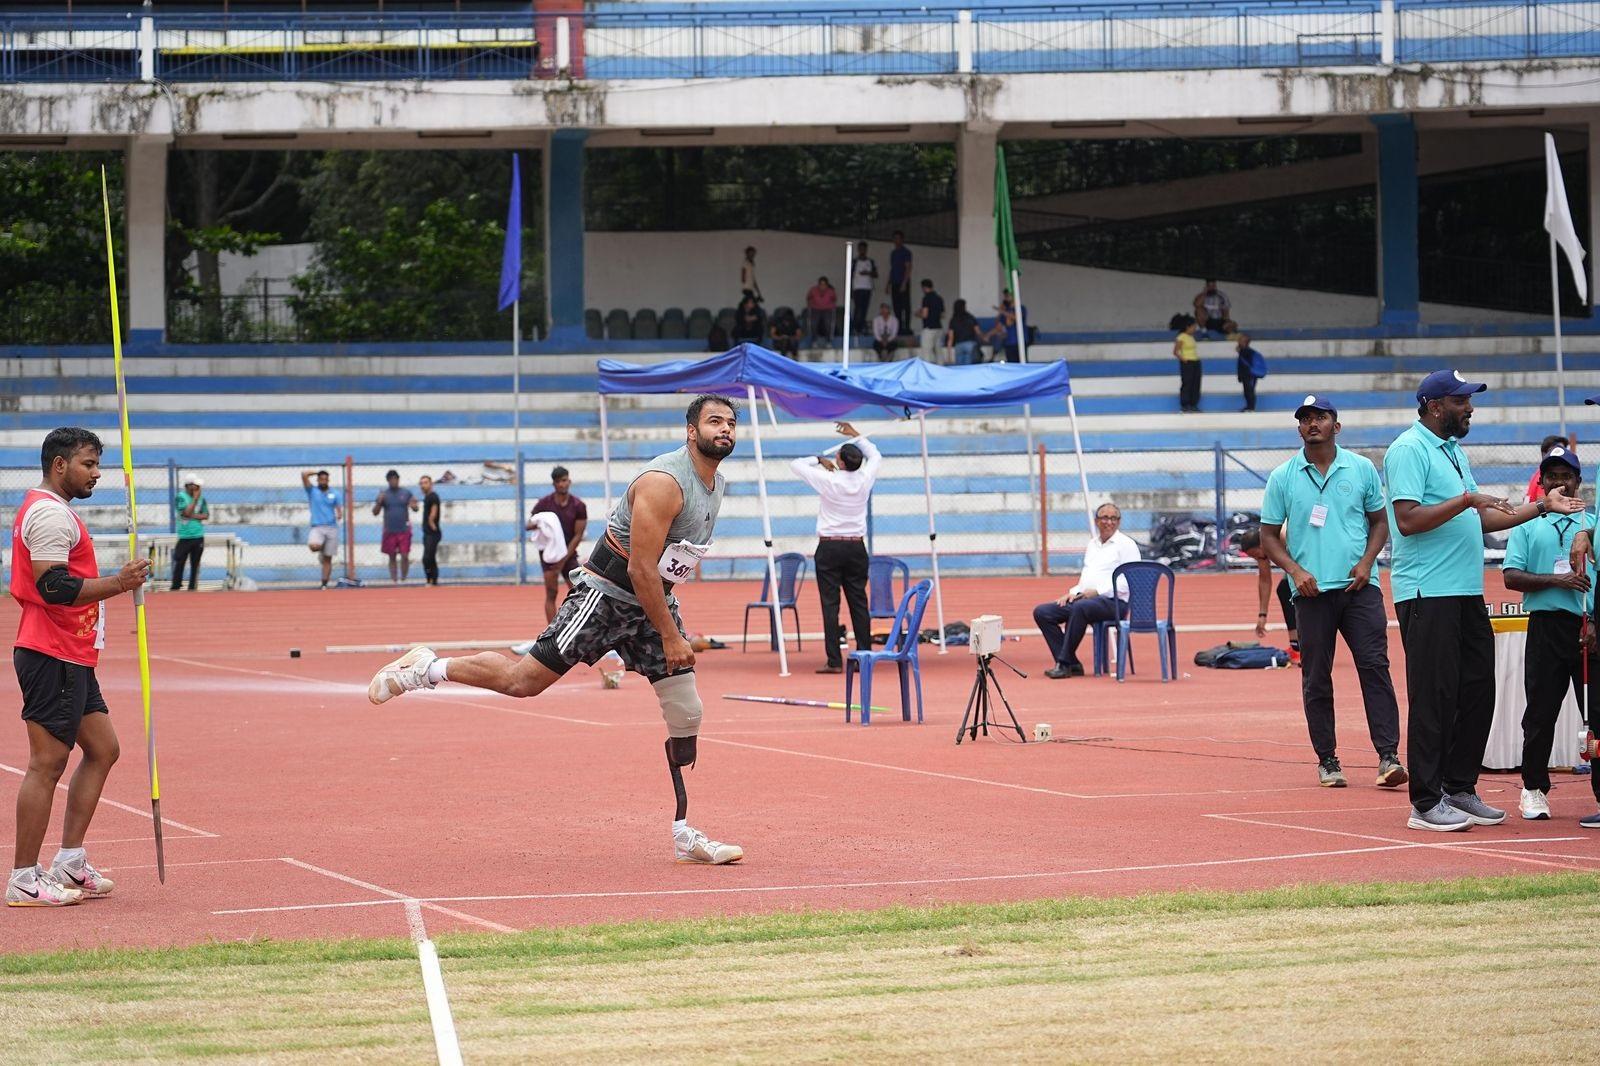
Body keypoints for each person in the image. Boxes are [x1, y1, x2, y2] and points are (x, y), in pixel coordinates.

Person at [368, 396, 745, 865]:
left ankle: (684, 832)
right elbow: (643, 569)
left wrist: (666, 622)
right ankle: (426, 667)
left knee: (686, 711)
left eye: (731, 422)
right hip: (606, 595)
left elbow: (667, 567)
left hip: (652, 601)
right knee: (522, 682)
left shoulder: (717, 483)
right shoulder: (664, 483)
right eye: (714, 421)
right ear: (691, 430)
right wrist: (671, 635)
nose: (725, 429)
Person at [1385, 369, 1584, 832]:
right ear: (1436, 406)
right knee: (1434, 697)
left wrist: (1540, 507)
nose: (1470, 407)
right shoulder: (1408, 450)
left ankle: (1459, 787)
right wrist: (1468, 499)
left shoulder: (1453, 451)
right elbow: (1409, 520)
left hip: (1464, 591)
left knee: (1477, 691)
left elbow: (1481, 521)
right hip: (1426, 592)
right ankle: (1425, 802)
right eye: (1462, 400)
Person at [9, 427, 151, 907]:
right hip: (52, 653)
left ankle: (69, 861)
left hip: (73, 653)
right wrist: (118, 581)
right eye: (88, 464)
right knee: (46, 763)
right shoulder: (49, 514)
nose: (96, 474)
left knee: (104, 749)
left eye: (98, 465)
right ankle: (24, 877)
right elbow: (52, 587)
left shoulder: (57, 512)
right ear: (59, 465)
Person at [1259, 396, 1405, 789]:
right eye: (1305, 419)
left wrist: (1367, 561)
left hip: (1361, 588)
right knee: (1316, 677)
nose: (1312, 424)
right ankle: (1327, 759)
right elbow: (1268, 537)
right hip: (1311, 594)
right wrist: (1294, 571)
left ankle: (1388, 756)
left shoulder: (1361, 469)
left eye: (1320, 417)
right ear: (1299, 428)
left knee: (1375, 668)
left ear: (1335, 426)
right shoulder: (1283, 476)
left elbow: (1380, 523)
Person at [1502, 444, 1598, 822]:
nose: (1560, 481)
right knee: (1540, 713)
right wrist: (1557, 581)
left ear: (1578, 481)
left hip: (1587, 628)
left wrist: (1594, 622)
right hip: (1545, 627)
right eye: (1552, 475)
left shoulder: (1591, 525)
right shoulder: (1527, 523)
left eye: (1566, 475)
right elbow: (1511, 576)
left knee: (1598, 715)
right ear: (1542, 482)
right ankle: (1533, 789)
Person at [790, 422, 881, 675]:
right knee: (859, 602)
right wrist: (857, 435)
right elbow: (875, 455)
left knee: (830, 604)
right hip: (855, 546)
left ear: (839, 462)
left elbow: (796, 465)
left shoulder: (828, 479)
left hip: (829, 547)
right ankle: (865, 656)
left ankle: (834, 660)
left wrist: (818, 459)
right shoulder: (864, 478)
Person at [1033, 502, 1142, 678]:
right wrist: (1073, 592)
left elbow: (1130, 582)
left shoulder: (1126, 545)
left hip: (1115, 602)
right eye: (1105, 517)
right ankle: (1073, 663)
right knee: (1043, 612)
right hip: (1087, 600)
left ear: (1119, 522)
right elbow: (1087, 577)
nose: (1109, 522)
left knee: (1080, 607)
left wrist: (1098, 591)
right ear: (1097, 521)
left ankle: (1064, 663)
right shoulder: (1093, 544)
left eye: (1113, 518)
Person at [532, 465, 588, 624]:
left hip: (569, 553)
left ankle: (577, 626)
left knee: (579, 591)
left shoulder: (578, 505)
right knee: (551, 592)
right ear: (554, 484)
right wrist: (541, 524)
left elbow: (578, 535)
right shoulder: (544, 504)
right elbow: (529, 523)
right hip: (549, 555)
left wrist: (563, 559)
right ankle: (550, 633)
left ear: (569, 481)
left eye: (564, 480)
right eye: (558, 482)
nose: (562, 484)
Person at [1238, 525, 1300, 664]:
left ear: (1261, 543)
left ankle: (1304, 646)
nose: (1258, 558)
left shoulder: (1283, 538)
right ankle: (1296, 647)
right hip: (1294, 565)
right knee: (1284, 590)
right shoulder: (1263, 552)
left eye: (1255, 554)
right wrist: (1262, 615)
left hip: (1309, 557)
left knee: (1289, 589)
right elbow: (1265, 581)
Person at [300, 468, 344, 589]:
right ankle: (321, 550)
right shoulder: (312, 491)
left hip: (331, 527)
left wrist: (340, 514)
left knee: (328, 558)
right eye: (321, 478)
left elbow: (339, 508)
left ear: (328, 480)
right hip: (317, 526)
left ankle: (324, 584)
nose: (323, 481)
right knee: (314, 546)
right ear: (318, 480)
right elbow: (304, 475)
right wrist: (316, 472)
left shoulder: (334, 493)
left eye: (325, 479)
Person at [372, 469, 418, 584]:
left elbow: (415, 508)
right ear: (388, 481)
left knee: (405, 555)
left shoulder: (406, 493)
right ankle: (394, 580)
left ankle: (404, 578)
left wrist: (414, 505)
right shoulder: (384, 494)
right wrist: (379, 502)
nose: (394, 481)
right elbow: (375, 512)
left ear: (398, 479)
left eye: (395, 479)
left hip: (404, 529)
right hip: (390, 529)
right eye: (391, 479)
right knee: (391, 556)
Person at [171, 475, 209, 591]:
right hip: (185, 535)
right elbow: (186, 513)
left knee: (195, 563)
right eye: (196, 486)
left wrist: (193, 516)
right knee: (179, 561)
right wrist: (195, 500)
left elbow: (206, 515)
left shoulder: (201, 498)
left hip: (198, 535)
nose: (198, 488)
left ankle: (192, 587)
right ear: (188, 485)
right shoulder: (181, 497)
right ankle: (176, 586)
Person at [1526, 435, 1572, 503]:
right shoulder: (1547, 477)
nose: (1562, 455)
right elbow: (1543, 502)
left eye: (1563, 451)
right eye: (1557, 452)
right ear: (1544, 454)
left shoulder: (1539, 472)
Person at [985, 289, 1027, 362]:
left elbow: (1016, 317)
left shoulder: (1020, 308)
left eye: (1008, 296)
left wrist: (1002, 311)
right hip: (1009, 342)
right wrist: (1000, 312)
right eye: (1005, 296)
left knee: (1021, 363)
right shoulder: (1005, 310)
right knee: (1011, 364)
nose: (1006, 298)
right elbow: (998, 326)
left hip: (1020, 341)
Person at [1171, 313, 1201, 413]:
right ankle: (1185, 404)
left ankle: (1194, 404)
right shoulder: (1181, 337)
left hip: (1195, 361)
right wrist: (1184, 359)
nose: (1194, 329)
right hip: (1187, 362)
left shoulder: (1191, 337)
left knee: (1196, 383)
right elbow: (1176, 351)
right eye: (1193, 327)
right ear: (1188, 327)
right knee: (1187, 383)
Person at [887, 231, 913, 335]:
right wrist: (888, 283)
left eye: (898, 238)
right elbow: (892, 269)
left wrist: (904, 283)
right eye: (895, 238)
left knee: (905, 306)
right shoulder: (893, 253)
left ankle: (906, 327)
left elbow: (908, 268)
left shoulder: (906, 252)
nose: (896, 240)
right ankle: (898, 327)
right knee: (896, 306)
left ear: (902, 239)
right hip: (894, 282)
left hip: (903, 282)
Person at [945, 298, 983, 365]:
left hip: (958, 345)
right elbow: (978, 332)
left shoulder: (953, 320)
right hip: (970, 344)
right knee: (968, 368)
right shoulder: (970, 317)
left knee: (959, 368)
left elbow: (950, 338)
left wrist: (949, 355)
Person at [850, 240, 876, 336]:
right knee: (858, 309)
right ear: (858, 249)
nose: (862, 251)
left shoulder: (870, 261)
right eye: (860, 249)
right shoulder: (854, 261)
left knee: (864, 309)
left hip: (867, 288)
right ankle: (855, 328)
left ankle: (861, 328)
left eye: (864, 249)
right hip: (857, 288)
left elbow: (875, 274)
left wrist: (868, 273)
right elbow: (850, 275)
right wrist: (850, 290)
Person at [1235, 333, 1267, 413]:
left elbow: (1245, 364)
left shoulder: (1248, 352)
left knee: (1250, 391)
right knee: (1247, 391)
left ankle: (1251, 407)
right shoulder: (1244, 351)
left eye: (1241, 340)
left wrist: (1239, 351)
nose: (1238, 342)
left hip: (1250, 375)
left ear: (1245, 342)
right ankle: (1249, 406)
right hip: (1246, 375)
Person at [419, 474, 441, 586]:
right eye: (421, 483)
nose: (423, 485)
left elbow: (434, 510)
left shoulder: (433, 496)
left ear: (431, 484)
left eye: (425, 483)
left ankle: (431, 579)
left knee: (427, 557)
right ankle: (432, 580)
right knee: (430, 557)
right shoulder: (427, 497)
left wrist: (431, 522)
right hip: (427, 532)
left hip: (432, 533)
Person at [915, 278, 945, 361]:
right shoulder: (939, 298)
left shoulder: (926, 298)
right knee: (939, 351)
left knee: (926, 352)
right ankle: (941, 368)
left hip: (929, 328)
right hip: (938, 327)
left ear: (924, 288)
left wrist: (917, 314)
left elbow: (925, 315)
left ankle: (926, 370)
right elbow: (942, 315)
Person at [805, 276, 837, 348]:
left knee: (828, 324)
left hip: (828, 309)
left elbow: (834, 299)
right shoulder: (813, 290)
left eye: (824, 284)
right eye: (821, 284)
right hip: (815, 309)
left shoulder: (831, 291)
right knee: (813, 324)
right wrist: (810, 304)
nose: (822, 286)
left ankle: (829, 341)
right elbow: (808, 297)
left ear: (827, 285)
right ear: (818, 284)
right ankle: (814, 341)